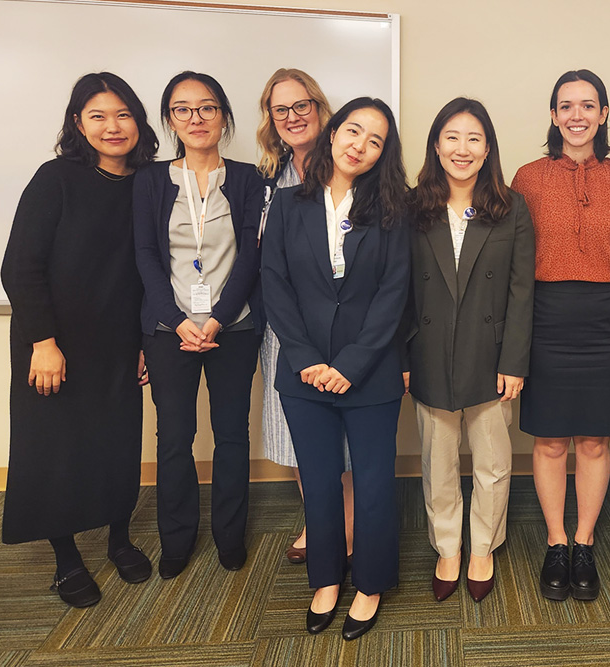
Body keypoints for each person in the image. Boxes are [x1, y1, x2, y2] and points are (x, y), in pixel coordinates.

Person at [1, 72, 157, 607]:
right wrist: (43, 341)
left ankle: (118, 539)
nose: (113, 127)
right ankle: (66, 559)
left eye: (123, 114)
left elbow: (152, 270)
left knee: (116, 445)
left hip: (119, 342)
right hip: (54, 345)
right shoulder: (55, 178)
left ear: (138, 120)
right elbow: (19, 267)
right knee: (57, 450)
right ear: (77, 123)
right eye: (98, 116)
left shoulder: (149, 183)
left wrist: (145, 338)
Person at [262, 97, 409, 640]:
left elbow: (395, 294)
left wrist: (349, 364)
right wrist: (306, 360)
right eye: (353, 131)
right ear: (332, 133)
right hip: (303, 375)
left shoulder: (394, 210)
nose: (360, 146)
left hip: (369, 373)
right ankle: (326, 580)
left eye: (375, 141)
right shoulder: (289, 205)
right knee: (319, 483)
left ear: (383, 154)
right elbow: (273, 285)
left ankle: (369, 585)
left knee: (372, 485)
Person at [511, 70, 610, 603]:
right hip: (545, 316)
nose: (577, 115)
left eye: (589, 105)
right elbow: (513, 257)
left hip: (606, 317)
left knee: (594, 438)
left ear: (604, 114)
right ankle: (556, 542)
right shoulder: (528, 176)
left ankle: (584, 541)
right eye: (567, 106)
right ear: (554, 114)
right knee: (550, 438)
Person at [133, 71, 264, 580]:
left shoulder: (249, 178)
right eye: (183, 109)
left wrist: (218, 318)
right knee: (175, 437)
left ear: (224, 115)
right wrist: (176, 319)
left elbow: (252, 257)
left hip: (233, 327)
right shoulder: (150, 179)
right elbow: (144, 255)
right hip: (169, 331)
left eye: (207, 107)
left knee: (232, 435)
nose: (196, 118)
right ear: (170, 119)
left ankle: (230, 538)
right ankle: (177, 540)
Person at [408, 97, 535, 604]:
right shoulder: (413, 204)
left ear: (488, 150)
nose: (463, 149)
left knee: (492, 460)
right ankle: (448, 546)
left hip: (493, 353)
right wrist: (401, 358)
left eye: (474, 139)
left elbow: (523, 290)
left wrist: (515, 361)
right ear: (437, 145)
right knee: (437, 461)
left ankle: (482, 545)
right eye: (453, 137)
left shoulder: (510, 205)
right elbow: (398, 289)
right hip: (429, 350)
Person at [255, 68, 354, 566]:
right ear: (271, 120)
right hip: (284, 329)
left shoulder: (350, 165)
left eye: (302, 105)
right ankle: (319, 520)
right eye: (281, 109)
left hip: (341, 329)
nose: (293, 117)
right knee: (299, 435)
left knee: (346, 440)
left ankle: (351, 528)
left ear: (320, 107)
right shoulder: (267, 179)